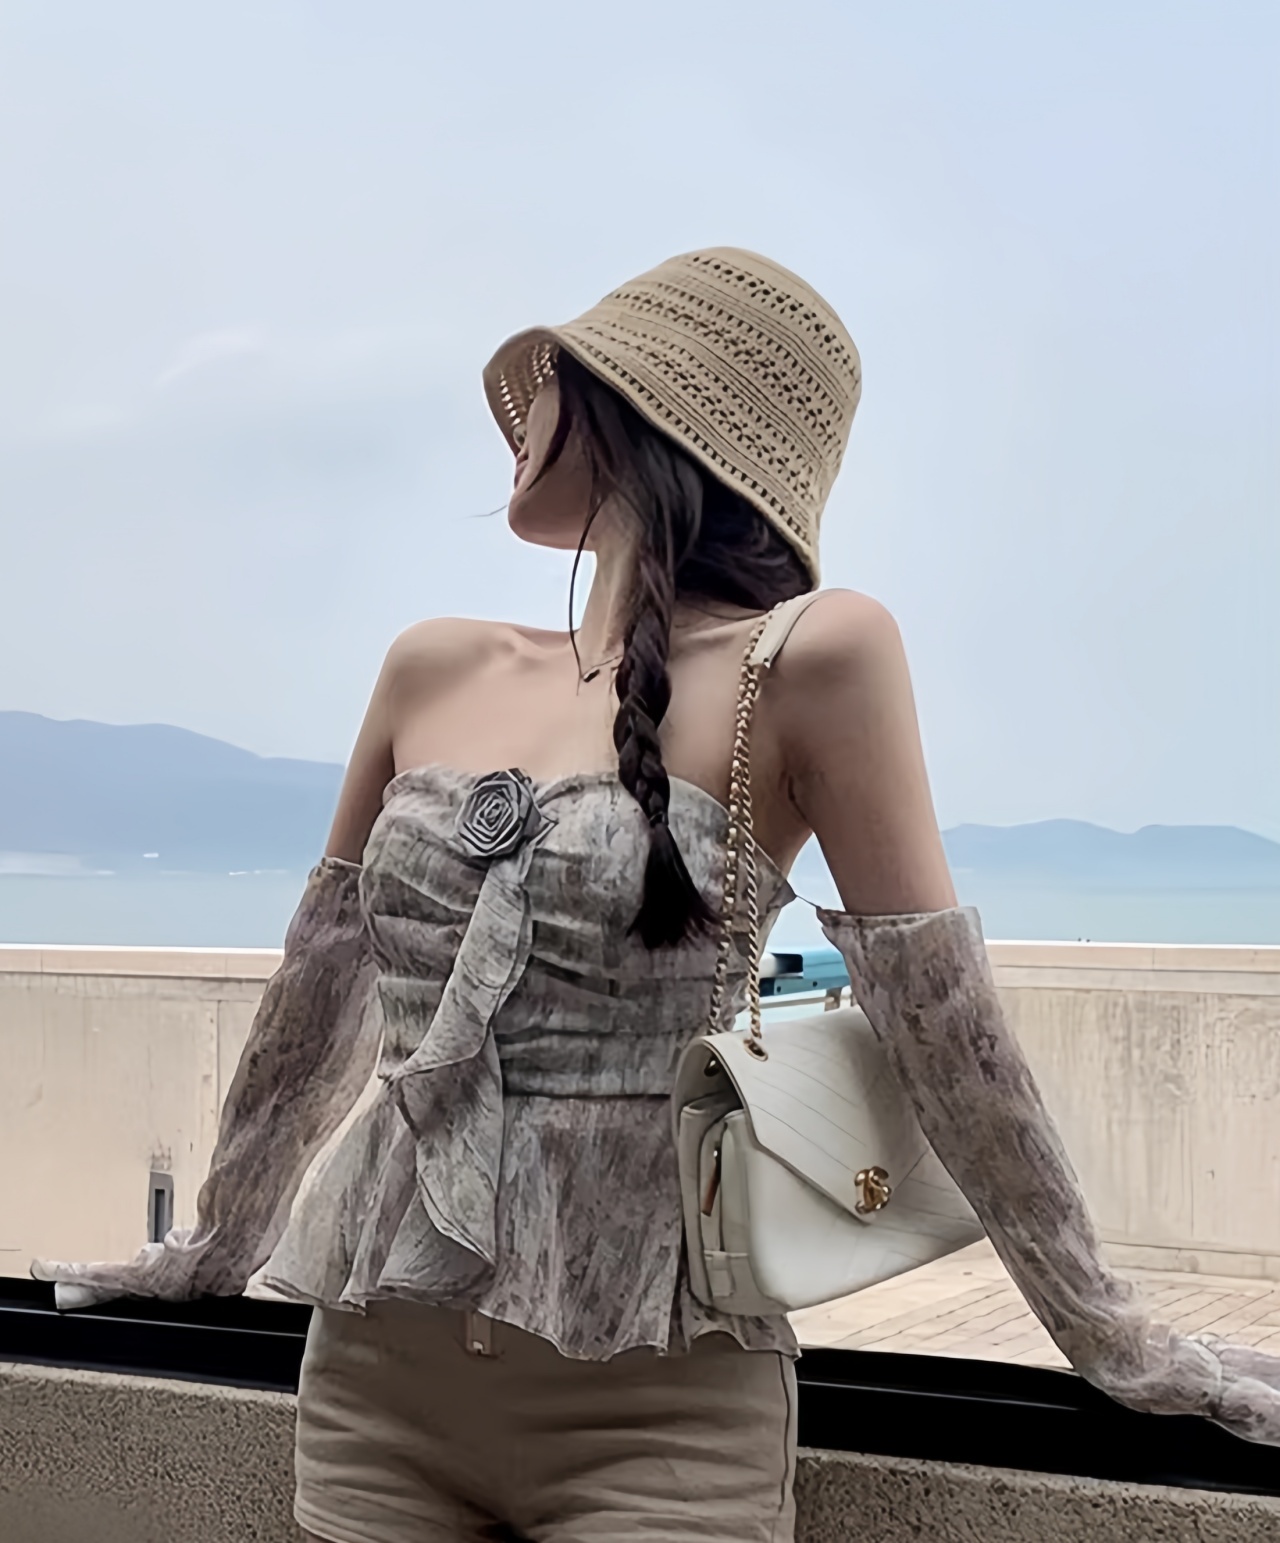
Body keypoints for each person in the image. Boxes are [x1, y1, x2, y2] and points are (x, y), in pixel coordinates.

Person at [34, 248, 1280, 1543]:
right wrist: (211, 1252)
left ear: (645, 405)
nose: (522, 418)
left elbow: (947, 1035)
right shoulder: (429, 665)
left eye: (557, 379)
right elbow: (315, 1010)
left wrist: (1110, 1335)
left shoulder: (815, 658)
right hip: (373, 1386)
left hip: (663, 1413)